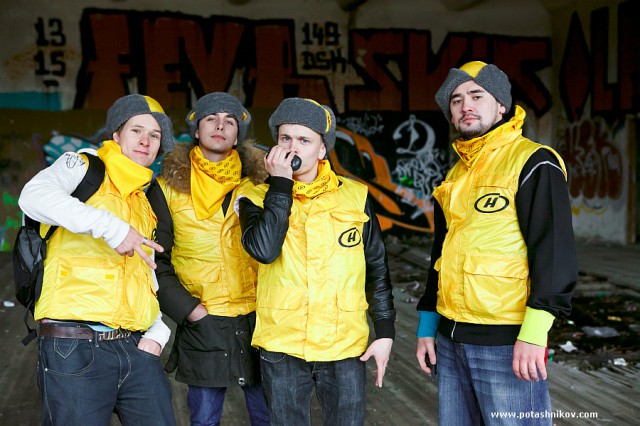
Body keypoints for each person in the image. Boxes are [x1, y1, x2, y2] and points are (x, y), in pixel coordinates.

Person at [415, 61, 578, 424]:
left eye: (477, 96)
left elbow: (554, 254)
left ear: (501, 105)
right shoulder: (455, 176)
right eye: (456, 100)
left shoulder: (534, 162)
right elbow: (441, 254)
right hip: (450, 338)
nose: (465, 106)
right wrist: (428, 326)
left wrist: (534, 334)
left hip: (506, 342)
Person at [236, 97, 396, 426]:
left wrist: (385, 332)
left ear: (322, 149)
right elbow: (264, 250)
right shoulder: (253, 196)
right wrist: (281, 184)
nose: (292, 147)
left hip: (344, 346)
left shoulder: (356, 196)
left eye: (304, 140)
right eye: (285, 138)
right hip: (282, 347)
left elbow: (377, 270)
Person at [18, 94, 176, 425]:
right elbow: (33, 196)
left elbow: (144, 273)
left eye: (155, 135)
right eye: (136, 130)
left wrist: (158, 331)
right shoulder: (83, 165)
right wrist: (111, 228)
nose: (145, 141)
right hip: (74, 347)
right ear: (116, 134)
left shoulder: (143, 198)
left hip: (135, 347)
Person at [147, 92, 270, 426]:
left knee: (268, 417)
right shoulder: (166, 189)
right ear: (197, 130)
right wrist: (189, 311)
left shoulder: (260, 184)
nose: (220, 125)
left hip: (259, 315)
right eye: (211, 119)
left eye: (230, 121)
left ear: (238, 135)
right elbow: (155, 259)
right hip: (204, 318)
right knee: (204, 420)